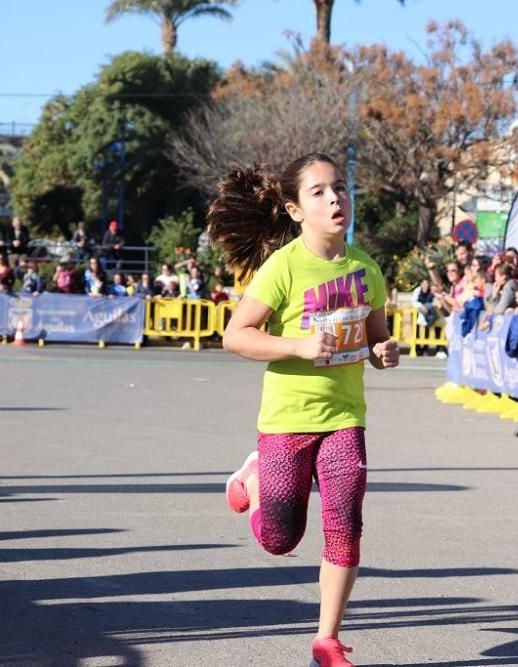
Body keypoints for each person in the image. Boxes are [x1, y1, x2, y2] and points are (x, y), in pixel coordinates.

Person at [210, 153, 398, 667]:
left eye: (339, 188)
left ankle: (327, 639)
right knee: (278, 538)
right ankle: (252, 477)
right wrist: (297, 346)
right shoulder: (284, 266)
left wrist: (384, 353)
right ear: (295, 209)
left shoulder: (366, 268)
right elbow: (235, 336)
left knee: (345, 524)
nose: (335, 198)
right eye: (318, 192)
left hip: (344, 418)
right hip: (287, 420)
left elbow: (376, 341)